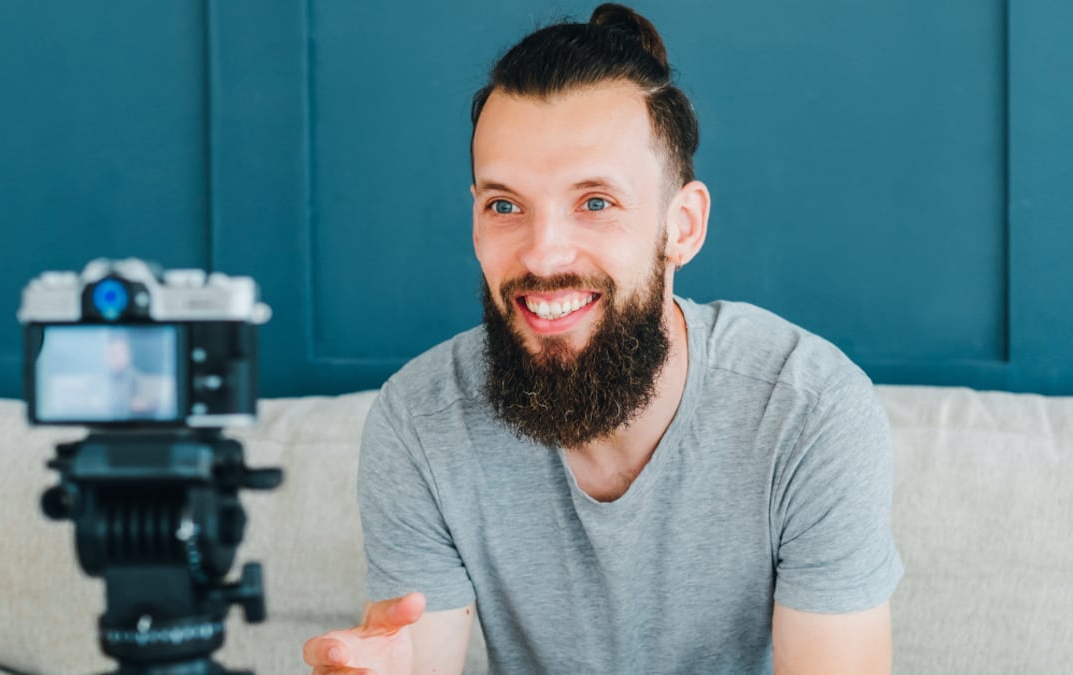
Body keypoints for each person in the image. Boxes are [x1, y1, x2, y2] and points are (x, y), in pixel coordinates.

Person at [303, 4, 903, 673]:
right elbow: (421, 654)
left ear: (682, 227)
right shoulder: (418, 421)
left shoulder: (809, 412)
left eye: (595, 202)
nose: (542, 253)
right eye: (504, 205)